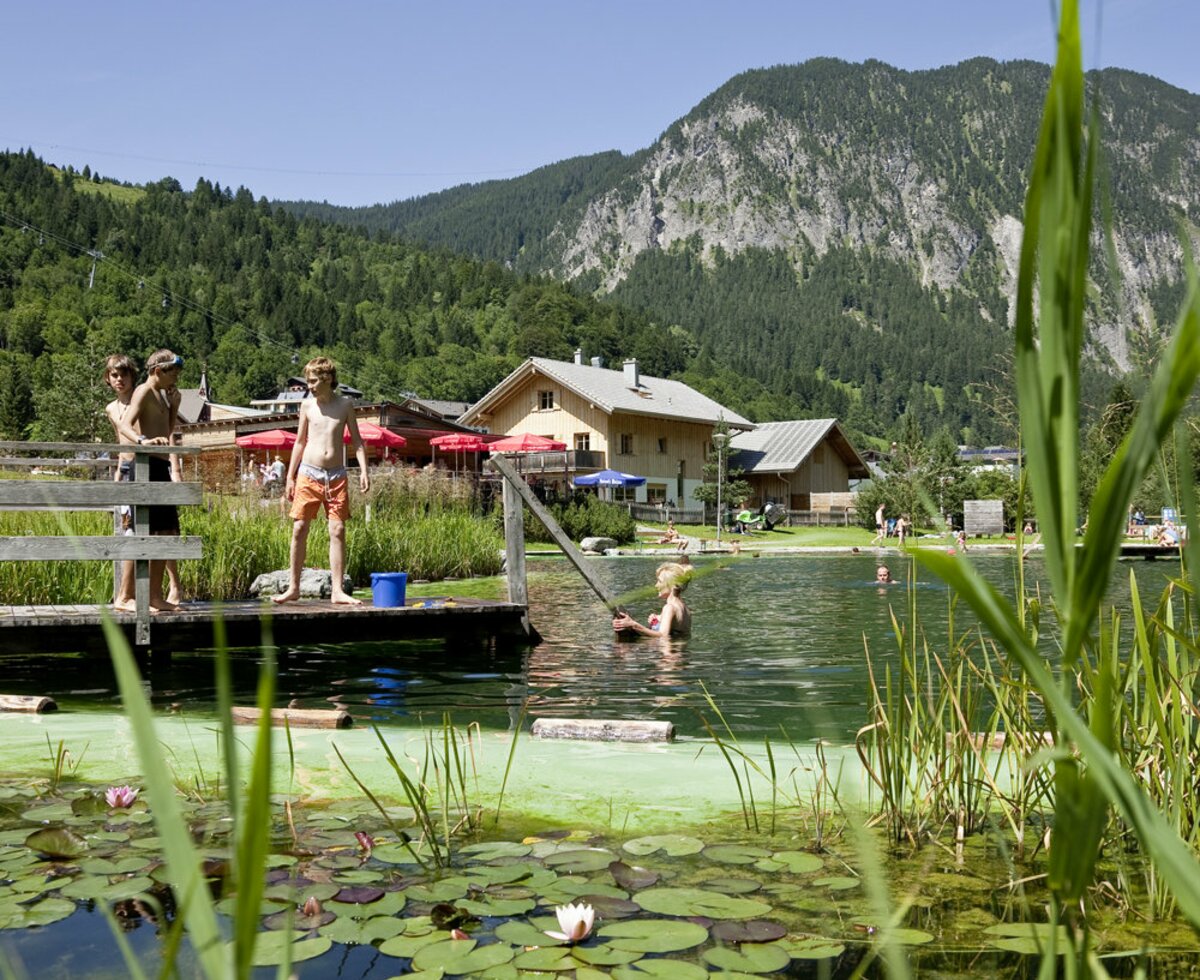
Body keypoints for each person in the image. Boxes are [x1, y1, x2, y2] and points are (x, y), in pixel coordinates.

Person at [274, 356, 370, 605]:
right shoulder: (307, 406)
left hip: (336, 475)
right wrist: (290, 477)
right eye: (308, 381)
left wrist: (364, 470)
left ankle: (337, 590)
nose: (310, 386)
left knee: (337, 529)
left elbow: (357, 441)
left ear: (327, 379)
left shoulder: (345, 405)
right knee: (299, 528)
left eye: (314, 381)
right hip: (309, 472)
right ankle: (293, 587)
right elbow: (299, 442)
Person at [124, 349, 184, 612]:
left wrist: (175, 407)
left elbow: (168, 431)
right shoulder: (144, 391)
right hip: (144, 466)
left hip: (161, 467)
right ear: (158, 371)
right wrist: (142, 441)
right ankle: (126, 597)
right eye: (174, 372)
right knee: (142, 534)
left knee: (167, 532)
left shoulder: (163, 394)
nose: (177, 377)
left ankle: (154, 596)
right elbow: (126, 423)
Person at [102, 354, 139, 611]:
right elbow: (120, 442)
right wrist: (117, 472)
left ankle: (138, 593)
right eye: (114, 375)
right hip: (126, 468)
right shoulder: (111, 409)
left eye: (124, 375)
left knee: (156, 530)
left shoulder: (141, 400)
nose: (119, 380)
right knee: (129, 529)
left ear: (131, 376)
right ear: (108, 378)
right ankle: (125, 596)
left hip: (145, 467)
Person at [613, 561, 692, 638]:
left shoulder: (669, 607)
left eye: (660, 581)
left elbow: (663, 636)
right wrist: (658, 621)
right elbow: (676, 632)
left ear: (672, 585)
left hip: (668, 650)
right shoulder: (685, 609)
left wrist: (633, 625)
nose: (656, 585)